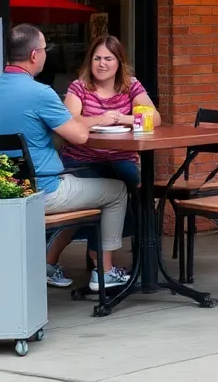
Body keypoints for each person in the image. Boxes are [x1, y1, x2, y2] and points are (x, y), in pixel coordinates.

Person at [0, 24, 130, 291]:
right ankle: (104, 274)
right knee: (117, 190)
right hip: (42, 192)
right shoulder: (40, 92)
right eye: (46, 48)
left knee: (84, 182)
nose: (47, 54)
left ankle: (51, 262)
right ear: (35, 55)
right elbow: (79, 137)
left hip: (2, 189)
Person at [43, 35, 158, 286]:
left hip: (121, 158)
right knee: (89, 204)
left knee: (136, 191)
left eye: (108, 58)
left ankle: (113, 261)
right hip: (82, 159)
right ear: (90, 61)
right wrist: (99, 119)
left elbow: (154, 117)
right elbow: (70, 122)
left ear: (119, 62)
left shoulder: (131, 85)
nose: (102, 63)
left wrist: (120, 118)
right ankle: (91, 264)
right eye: (97, 58)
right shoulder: (79, 87)